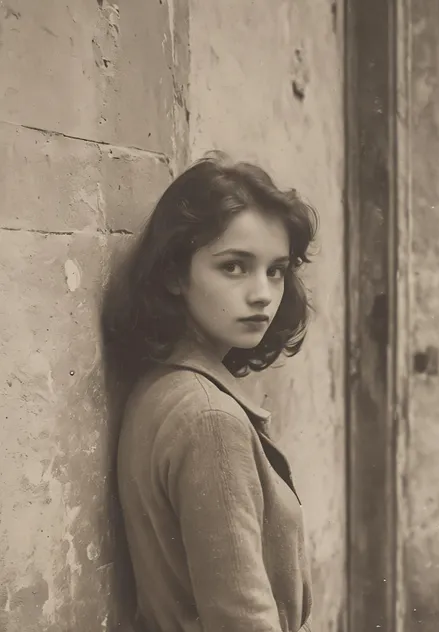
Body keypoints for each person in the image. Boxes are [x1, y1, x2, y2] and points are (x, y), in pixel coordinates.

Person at [101, 151, 318, 632]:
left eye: (276, 270)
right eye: (235, 267)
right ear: (176, 274)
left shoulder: (166, 385)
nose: (262, 292)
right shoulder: (209, 420)